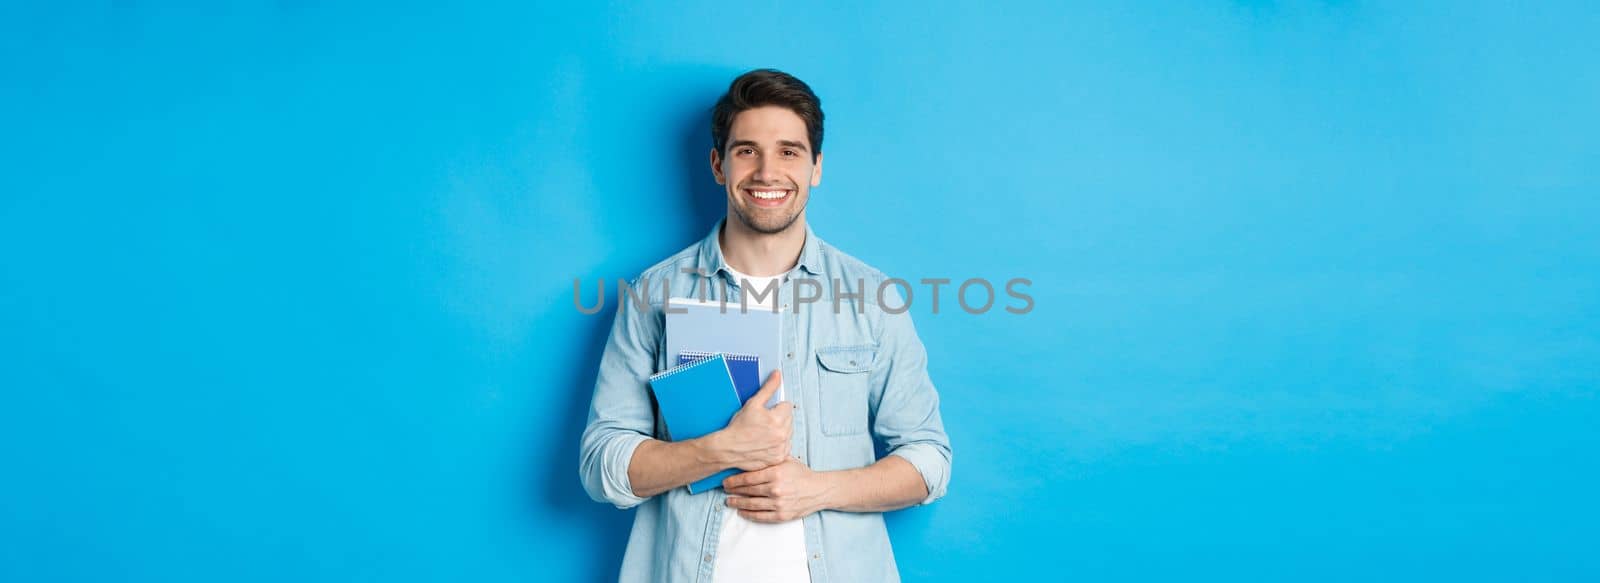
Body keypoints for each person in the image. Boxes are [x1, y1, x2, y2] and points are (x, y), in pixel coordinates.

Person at [579, 69, 952, 583]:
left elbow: (929, 461)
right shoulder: (653, 295)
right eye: (747, 150)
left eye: (790, 152)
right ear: (718, 164)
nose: (767, 172)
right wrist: (719, 450)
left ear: (816, 167)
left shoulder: (872, 298)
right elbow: (602, 466)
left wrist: (818, 489)